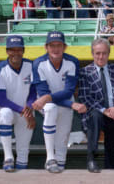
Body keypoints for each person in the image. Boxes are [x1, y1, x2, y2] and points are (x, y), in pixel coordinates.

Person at [31, 31, 86, 173]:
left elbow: (68, 91)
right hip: (47, 104)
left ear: (64, 47)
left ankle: (60, 165)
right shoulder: (39, 63)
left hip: (64, 100)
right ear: (46, 47)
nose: (55, 49)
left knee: (63, 136)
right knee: (50, 108)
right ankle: (50, 158)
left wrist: (64, 102)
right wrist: (71, 104)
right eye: (52, 45)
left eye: (59, 45)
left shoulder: (72, 61)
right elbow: (43, 94)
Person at [78, 38, 114, 173]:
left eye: (104, 53)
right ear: (92, 53)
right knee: (95, 116)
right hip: (96, 114)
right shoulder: (85, 72)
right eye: (97, 53)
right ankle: (91, 159)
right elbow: (84, 97)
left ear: (109, 53)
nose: (101, 56)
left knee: (113, 126)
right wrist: (103, 110)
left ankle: (110, 167)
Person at [0, 36, 36, 172]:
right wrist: (23, 110)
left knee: (23, 150)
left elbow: (33, 91)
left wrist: (29, 107)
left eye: (19, 49)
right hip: (10, 110)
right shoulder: (0, 68)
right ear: (7, 51)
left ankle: (22, 173)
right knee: (5, 113)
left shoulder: (30, 65)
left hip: (25, 111)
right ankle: (8, 157)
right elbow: (1, 100)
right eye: (12, 50)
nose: (16, 53)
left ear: (23, 51)